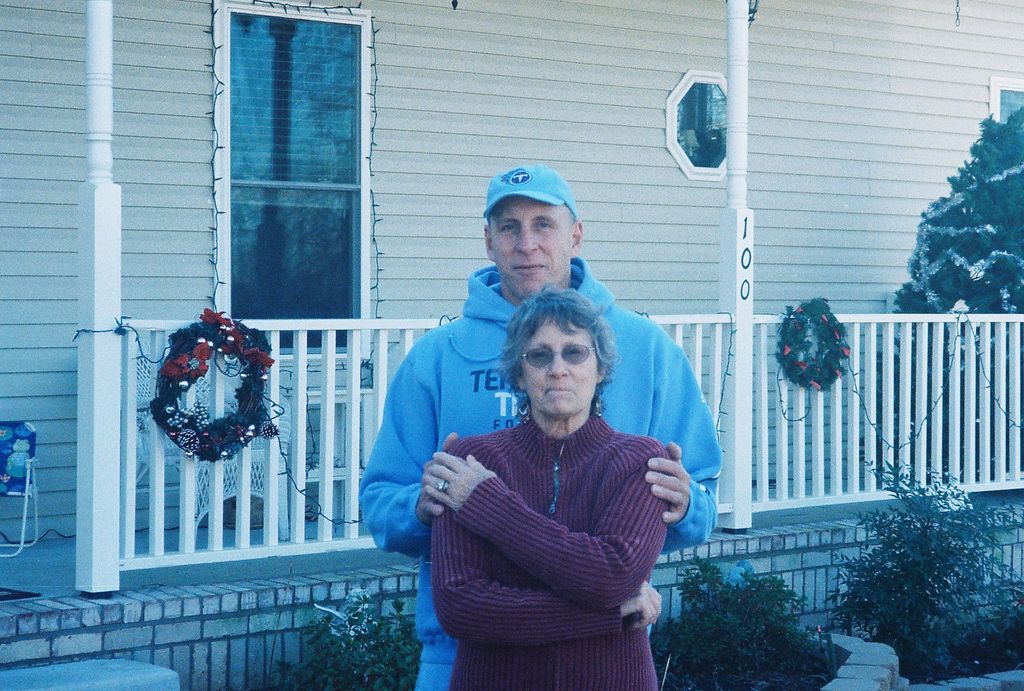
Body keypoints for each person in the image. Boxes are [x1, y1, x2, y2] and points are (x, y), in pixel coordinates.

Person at [360, 163, 722, 690]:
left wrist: (687, 505)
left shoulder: (647, 349)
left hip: (606, 654)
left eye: (543, 224)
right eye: (509, 227)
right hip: (463, 651)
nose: (526, 243)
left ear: (576, 234)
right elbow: (380, 500)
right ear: (489, 241)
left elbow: (703, 493)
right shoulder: (436, 358)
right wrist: (422, 505)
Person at [429, 288, 668, 690]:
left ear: (600, 369)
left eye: (574, 353)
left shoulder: (639, 460)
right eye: (539, 355)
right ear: (519, 375)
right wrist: (611, 614)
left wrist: (490, 505)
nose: (558, 369)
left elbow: (612, 577)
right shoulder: (472, 462)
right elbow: (461, 606)